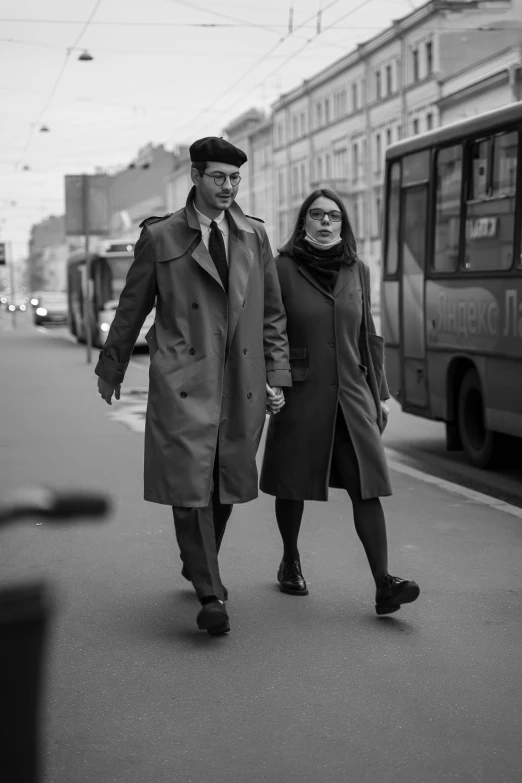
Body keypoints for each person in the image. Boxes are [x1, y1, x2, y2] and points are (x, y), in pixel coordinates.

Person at [96, 137, 291, 635]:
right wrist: (112, 366)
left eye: (235, 179)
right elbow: (131, 306)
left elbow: (272, 316)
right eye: (219, 178)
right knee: (190, 484)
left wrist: (278, 375)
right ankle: (210, 593)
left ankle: (200, 564)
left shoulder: (254, 236)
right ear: (196, 177)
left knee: (224, 482)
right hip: (183, 380)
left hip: (241, 382)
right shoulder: (160, 237)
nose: (228, 188)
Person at [260, 189, 420, 616]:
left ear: (343, 224)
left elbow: (367, 335)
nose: (326, 222)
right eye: (317, 215)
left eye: (334, 216)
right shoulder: (280, 269)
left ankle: (384, 583)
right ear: (304, 222)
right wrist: (272, 380)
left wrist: (379, 395)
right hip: (300, 392)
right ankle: (290, 559)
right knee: (292, 483)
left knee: (366, 486)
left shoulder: (357, 270)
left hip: (352, 395)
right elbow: (269, 329)